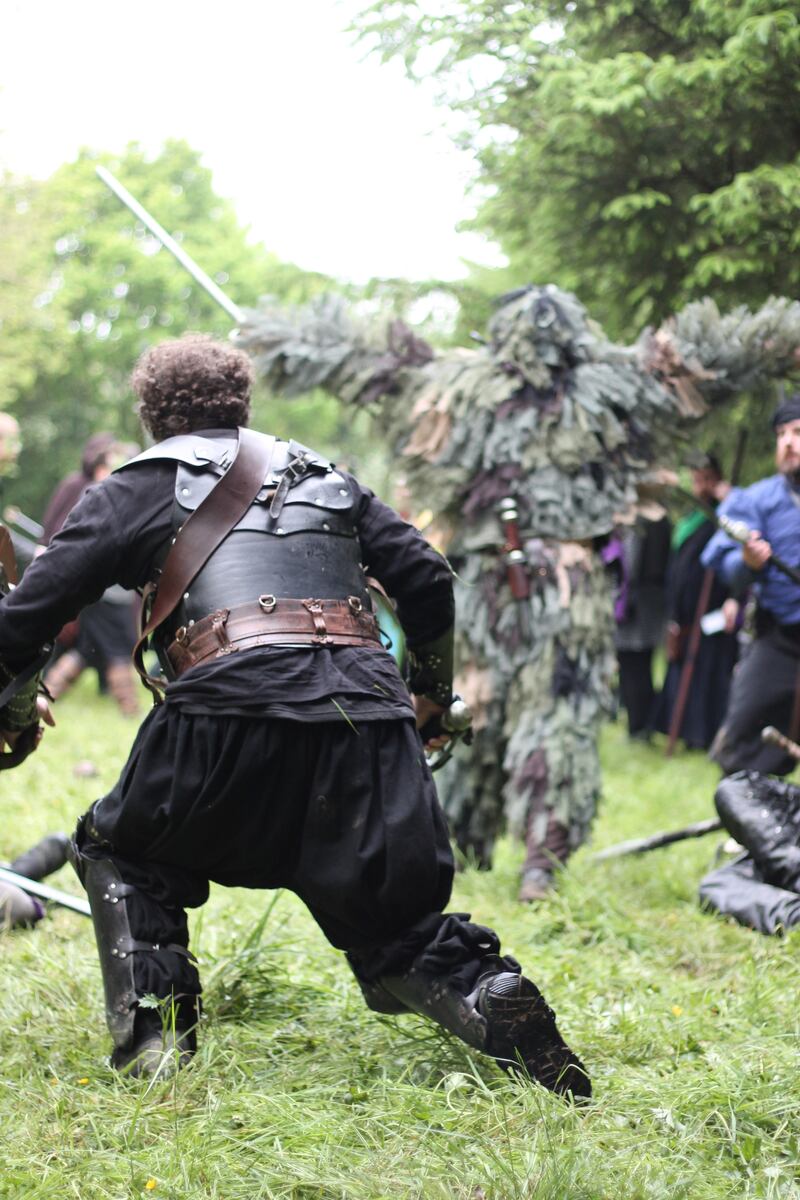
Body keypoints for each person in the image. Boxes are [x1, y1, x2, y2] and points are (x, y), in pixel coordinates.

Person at [0, 334, 589, 1097]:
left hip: (222, 716)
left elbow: (30, 615)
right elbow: (428, 578)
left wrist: (15, 700)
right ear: (242, 405)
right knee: (400, 926)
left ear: (151, 417)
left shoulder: (134, 486)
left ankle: (156, 1041)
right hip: (370, 723)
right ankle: (487, 1001)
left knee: (121, 850)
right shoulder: (324, 474)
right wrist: (429, 694)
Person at [702, 398, 800, 774]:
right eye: (781, 434)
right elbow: (723, 564)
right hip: (779, 640)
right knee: (743, 746)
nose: (787, 442)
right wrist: (747, 562)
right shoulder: (756, 500)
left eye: (796, 433)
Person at [40, 434, 140, 716]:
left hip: (109, 588)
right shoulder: (96, 493)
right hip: (102, 588)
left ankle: (47, 694)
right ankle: (130, 709)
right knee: (119, 646)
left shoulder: (119, 493)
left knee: (87, 649)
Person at [653, 454, 739, 749]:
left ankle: (703, 734)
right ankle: (682, 731)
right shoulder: (691, 518)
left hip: (711, 613)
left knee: (707, 674)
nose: (699, 484)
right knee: (683, 670)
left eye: (705, 478)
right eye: (695, 477)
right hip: (685, 615)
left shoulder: (723, 516)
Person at [604, 513, 671, 739]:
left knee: (634, 669)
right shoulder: (659, 519)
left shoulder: (640, 522)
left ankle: (640, 727)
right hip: (643, 606)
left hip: (636, 607)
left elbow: (629, 567)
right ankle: (641, 725)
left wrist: (624, 598)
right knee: (639, 667)